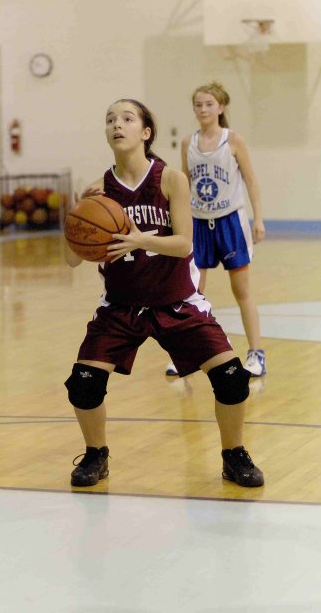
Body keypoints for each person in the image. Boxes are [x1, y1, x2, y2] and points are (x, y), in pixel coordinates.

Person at [64, 98, 264, 489]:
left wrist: (139, 239)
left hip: (177, 303)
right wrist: (77, 219)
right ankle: (95, 455)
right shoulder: (99, 191)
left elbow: (185, 243)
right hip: (121, 306)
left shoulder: (170, 179)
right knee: (83, 383)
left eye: (126, 118)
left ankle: (234, 455)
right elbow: (72, 261)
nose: (116, 124)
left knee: (232, 378)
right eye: (110, 119)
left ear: (146, 132)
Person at [166, 81, 266, 378]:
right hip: (198, 223)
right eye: (198, 104)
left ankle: (256, 353)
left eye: (209, 104)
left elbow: (251, 181)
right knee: (192, 292)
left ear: (220, 107)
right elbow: (182, 185)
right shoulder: (188, 142)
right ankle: (186, 355)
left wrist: (258, 219)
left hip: (230, 221)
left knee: (241, 290)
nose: (203, 109)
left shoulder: (233, 140)